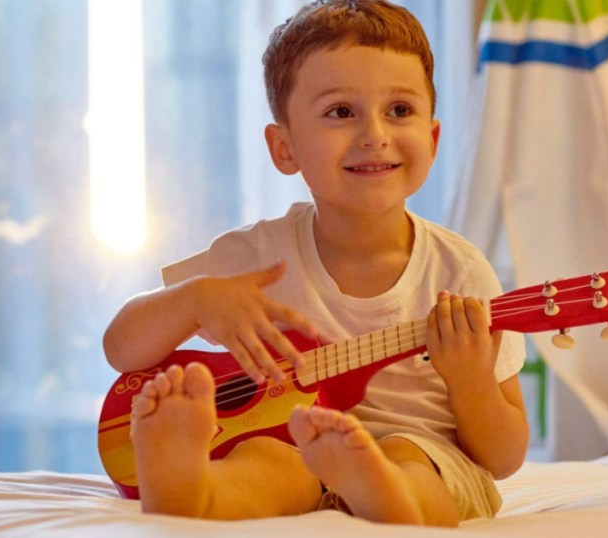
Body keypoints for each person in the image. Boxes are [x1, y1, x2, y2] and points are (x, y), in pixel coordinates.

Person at [102, 0, 528, 527]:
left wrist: (472, 382)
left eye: (399, 110)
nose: (375, 134)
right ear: (285, 148)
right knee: (267, 463)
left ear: (433, 138)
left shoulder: (460, 274)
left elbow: (504, 457)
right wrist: (195, 300)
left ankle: (385, 492)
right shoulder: (255, 258)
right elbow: (121, 349)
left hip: (422, 450)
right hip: (295, 447)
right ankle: (191, 489)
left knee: (412, 460)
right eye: (341, 112)